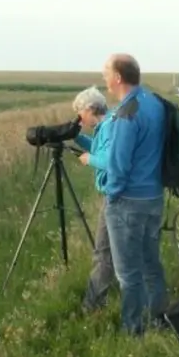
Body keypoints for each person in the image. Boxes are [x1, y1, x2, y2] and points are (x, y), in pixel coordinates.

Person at [101, 53, 168, 336]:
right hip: (154, 197)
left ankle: (133, 331)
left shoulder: (126, 112)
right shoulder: (155, 103)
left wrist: (111, 194)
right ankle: (160, 319)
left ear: (118, 77)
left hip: (128, 201)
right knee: (151, 263)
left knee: (128, 273)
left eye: (106, 73)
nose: (104, 78)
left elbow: (119, 164)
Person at [71, 86, 115, 313]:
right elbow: (99, 149)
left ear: (90, 109)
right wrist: (77, 138)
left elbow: (109, 161)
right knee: (112, 251)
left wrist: (89, 160)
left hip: (114, 196)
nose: (80, 118)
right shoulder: (107, 125)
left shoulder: (108, 128)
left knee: (103, 251)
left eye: (80, 113)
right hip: (119, 195)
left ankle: (92, 305)